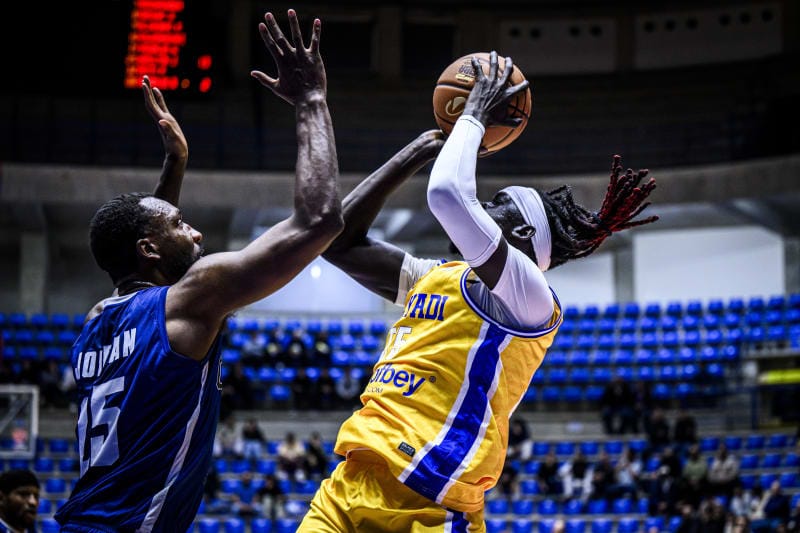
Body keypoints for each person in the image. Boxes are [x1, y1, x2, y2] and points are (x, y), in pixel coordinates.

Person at [299, 50, 658, 531]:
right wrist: (417, 152)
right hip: (348, 486)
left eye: (498, 203)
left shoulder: (529, 298)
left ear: (524, 235)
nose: (484, 204)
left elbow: (449, 196)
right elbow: (338, 242)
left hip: (429, 505)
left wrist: (472, 117)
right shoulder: (436, 276)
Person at [54, 10, 343, 532]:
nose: (195, 233)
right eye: (180, 224)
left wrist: (175, 165)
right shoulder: (191, 298)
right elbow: (319, 220)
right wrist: (311, 100)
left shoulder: (98, 321)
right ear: (149, 249)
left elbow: (144, 264)